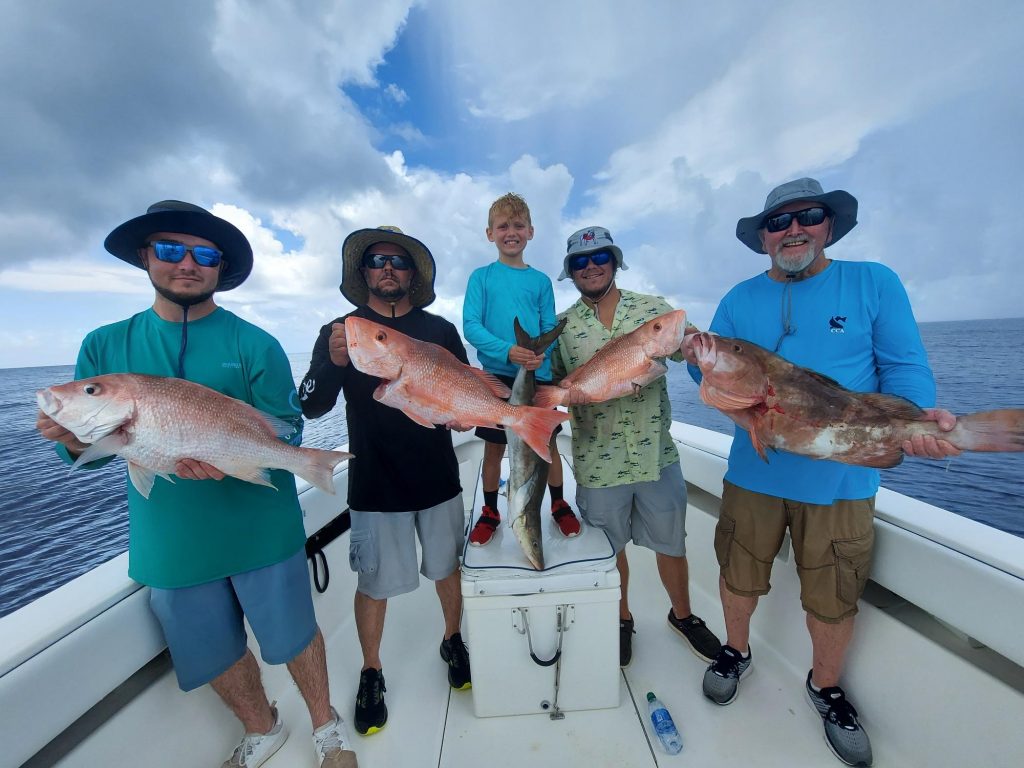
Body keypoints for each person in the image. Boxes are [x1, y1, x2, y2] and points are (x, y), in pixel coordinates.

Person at [35, 201, 357, 768]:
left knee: (296, 634)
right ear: (145, 256)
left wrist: (241, 448)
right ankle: (263, 728)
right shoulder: (105, 348)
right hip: (170, 538)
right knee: (210, 650)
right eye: (170, 249)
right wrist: (71, 436)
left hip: (260, 523)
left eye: (204, 254)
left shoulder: (254, 343)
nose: (187, 263)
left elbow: (286, 427)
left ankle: (326, 728)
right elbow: (91, 451)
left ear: (219, 268)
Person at [685, 178, 959, 767]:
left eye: (806, 216)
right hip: (754, 475)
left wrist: (917, 423)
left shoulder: (873, 283)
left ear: (828, 224)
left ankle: (825, 686)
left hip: (842, 481)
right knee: (737, 574)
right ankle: (735, 651)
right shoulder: (737, 299)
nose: (792, 230)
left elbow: (905, 367)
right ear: (763, 238)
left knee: (833, 594)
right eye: (777, 223)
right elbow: (708, 378)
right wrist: (702, 370)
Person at [298, 226, 471, 737]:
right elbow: (310, 403)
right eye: (377, 260)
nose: (388, 267)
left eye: (398, 260)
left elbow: (460, 392)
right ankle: (371, 669)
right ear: (363, 271)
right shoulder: (341, 331)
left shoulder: (439, 330)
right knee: (373, 585)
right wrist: (331, 364)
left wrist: (469, 414)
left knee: (447, 568)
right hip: (375, 483)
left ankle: (452, 637)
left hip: (439, 477)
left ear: (413, 273)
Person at [549, 226, 722, 668]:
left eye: (599, 257)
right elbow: (551, 388)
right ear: (570, 271)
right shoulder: (561, 326)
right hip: (596, 460)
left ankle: (682, 616)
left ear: (615, 260)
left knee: (671, 544)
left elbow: (695, 349)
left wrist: (724, 373)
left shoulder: (654, 312)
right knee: (611, 551)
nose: (591, 266)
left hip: (655, 457)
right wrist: (557, 399)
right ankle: (622, 618)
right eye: (580, 261)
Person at [462, 192, 581, 545]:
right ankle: (490, 511)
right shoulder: (481, 277)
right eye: (502, 226)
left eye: (517, 226)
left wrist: (539, 355)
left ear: (530, 231)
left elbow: (549, 329)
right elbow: (471, 326)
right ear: (490, 234)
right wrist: (508, 351)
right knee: (495, 446)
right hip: (497, 379)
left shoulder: (541, 281)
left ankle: (559, 504)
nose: (510, 232)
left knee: (547, 445)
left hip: (536, 375)